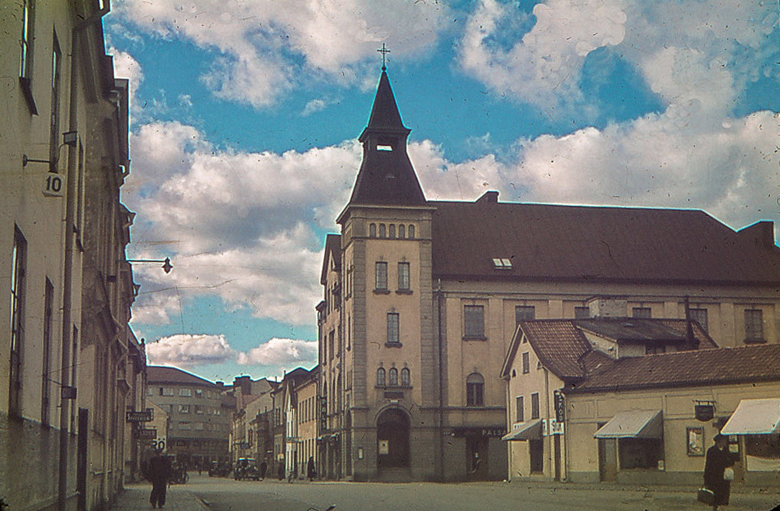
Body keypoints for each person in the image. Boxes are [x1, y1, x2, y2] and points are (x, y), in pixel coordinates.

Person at [704, 434, 736, 511]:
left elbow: (732, 461)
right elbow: (708, 465)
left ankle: (722, 508)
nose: (725, 442)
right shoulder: (711, 451)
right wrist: (706, 480)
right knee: (715, 498)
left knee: (723, 498)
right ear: (719, 441)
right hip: (714, 478)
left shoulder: (726, 450)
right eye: (723, 441)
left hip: (724, 478)